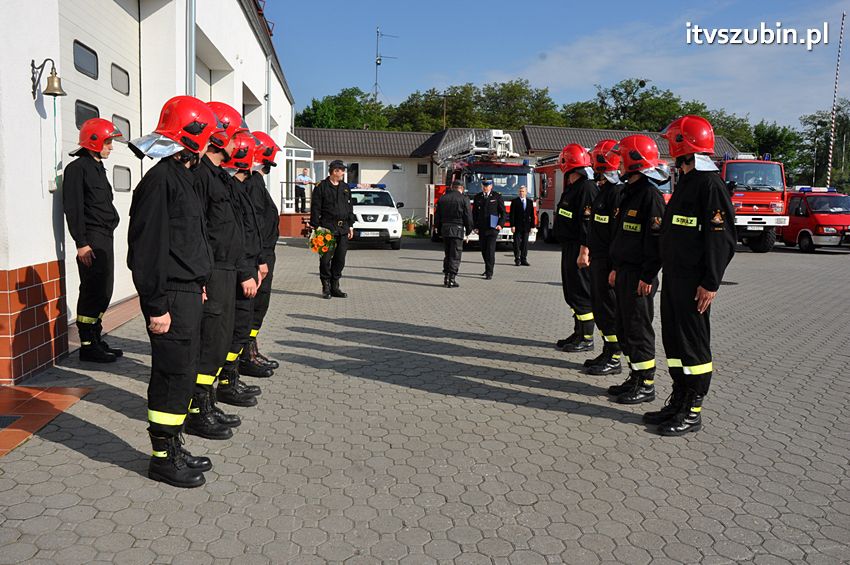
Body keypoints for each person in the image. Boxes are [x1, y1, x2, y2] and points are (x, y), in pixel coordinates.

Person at [127, 95, 217, 488]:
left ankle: (174, 444)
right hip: (169, 297)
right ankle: (162, 458)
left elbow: (189, 241)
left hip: (187, 292)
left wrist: (197, 284)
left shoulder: (185, 178)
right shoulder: (160, 181)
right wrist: (156, 305)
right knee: (170, 374)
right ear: (193, 136)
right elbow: (144, 253)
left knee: (184, 373)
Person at [653, 115, 736, 435]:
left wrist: (710, 282)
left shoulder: (710, 185)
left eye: (671, 141)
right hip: (674, 278)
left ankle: (693, 409)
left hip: (694, 283)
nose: (668, 147)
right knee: (674, 343)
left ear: (682, 144)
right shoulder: (686, 181)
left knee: (693, 346)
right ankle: (679, 399)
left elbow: (722, 239)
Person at [184, 101, 246, 441]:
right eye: (235, 135)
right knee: (208, 342)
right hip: (213, 271)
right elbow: (201, 231)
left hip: (226, 269)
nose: (239, 143)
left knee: (218, 340)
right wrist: (202, 277)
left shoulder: (216, 176)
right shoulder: (200, 177)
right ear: (219, 135)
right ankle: (197, 410)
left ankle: (206, 402)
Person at [606, 135, 667, 405]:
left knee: (639, 328)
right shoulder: (629, 193)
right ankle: (634, 375)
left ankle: (647, 383)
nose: (617, 164)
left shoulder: (650, 196)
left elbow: (656, 241)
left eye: (621, 158)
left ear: (633, 161)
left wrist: (647, 275)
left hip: (641, 276)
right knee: (624, 326)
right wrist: (617, 268)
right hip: (625, 272)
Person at [63, 118, 124, 363]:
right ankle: (87, 345)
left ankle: (96, 338)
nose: (111, 146)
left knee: (104, 290)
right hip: (91, 239)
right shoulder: (77, 169)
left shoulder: (98, 168)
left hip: (105, 237)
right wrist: (81, 243)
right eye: (108, 141)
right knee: (91, 289)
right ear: (95, 141)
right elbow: (74, 209)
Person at [217, 132, 265, 407]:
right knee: (231, 332)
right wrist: (247, 270)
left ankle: (229, 379)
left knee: (239, 329)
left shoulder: (236, 186)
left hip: (243, 266)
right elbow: (232, 236)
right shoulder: (226, 185)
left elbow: (248, 230)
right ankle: (223, 385)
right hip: (232, 271)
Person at [239, 131, 282, 375]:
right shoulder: (253, 183)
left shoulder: (256, 182)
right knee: (253, 307)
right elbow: (254, 225)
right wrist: (260, 260)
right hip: (259, 257)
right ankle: (246, 354)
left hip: (263, 254)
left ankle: (250, 348)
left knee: (258, 308)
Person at [582, 140, 625, 375]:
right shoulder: (604, 190)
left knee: (609, 310)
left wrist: (615, 266)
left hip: (608, 262)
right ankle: (608, 350)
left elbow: (618, 234)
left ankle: (615, 356)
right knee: (600, 308)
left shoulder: (616, 193)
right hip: (598, 260)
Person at [552, 144, 599, 353]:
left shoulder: (587, 188)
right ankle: (578, 332)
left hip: (579, 249)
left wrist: (584, 251)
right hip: (569, 247)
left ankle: (587, 338)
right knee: (571, 293)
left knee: (581, 293)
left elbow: (587, 224)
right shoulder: (572, 187)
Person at [310, 160, 355, 299]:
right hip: (326, 229)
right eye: (341, 170)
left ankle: (335, 286)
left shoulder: (345, 188)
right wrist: (315, 227)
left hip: (343, 229)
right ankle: (326, 286)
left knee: (340, 259)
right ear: (335, 171)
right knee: (325, 260)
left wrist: (351, 226)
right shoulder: (321, 187)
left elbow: (349, 208)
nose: (343, 173)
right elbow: (315, 208)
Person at [435, 179, 473, 287]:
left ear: (452, 187)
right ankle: (451, 279)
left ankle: (446, 277)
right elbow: (468, 216)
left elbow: (437, 215)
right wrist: (469, 230)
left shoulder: (443, 198)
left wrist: (437, 228)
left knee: (447, 254)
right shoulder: (464, 199)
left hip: (445, 229)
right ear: (461, 188)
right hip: (457, 229)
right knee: (455, 255)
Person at [472, 179, 506, 279]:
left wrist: (500, 224)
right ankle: (487, 268)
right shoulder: (478, 197)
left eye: (487, 186)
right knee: (483, 250)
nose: (485, 187)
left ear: (491, 186)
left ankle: (489, 272)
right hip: (482, 228)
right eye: (484, 186)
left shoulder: (496, 196)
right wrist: (475, 226)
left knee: (490, 250)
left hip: (493, 228)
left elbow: (503, 212)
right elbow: (474, 214)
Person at [509, 185, 535, 266]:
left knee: (525, 244)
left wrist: (532, 226)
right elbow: (512, 215)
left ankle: (524, 259)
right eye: (520, 191)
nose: (521, 193)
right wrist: (512, 225)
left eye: (523, 191)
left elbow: (532, 215)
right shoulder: (515, 201)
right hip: (517, 226)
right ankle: (517, 259)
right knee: (516, 243)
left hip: (526, 226)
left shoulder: (530, 202)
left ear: (526, 192)